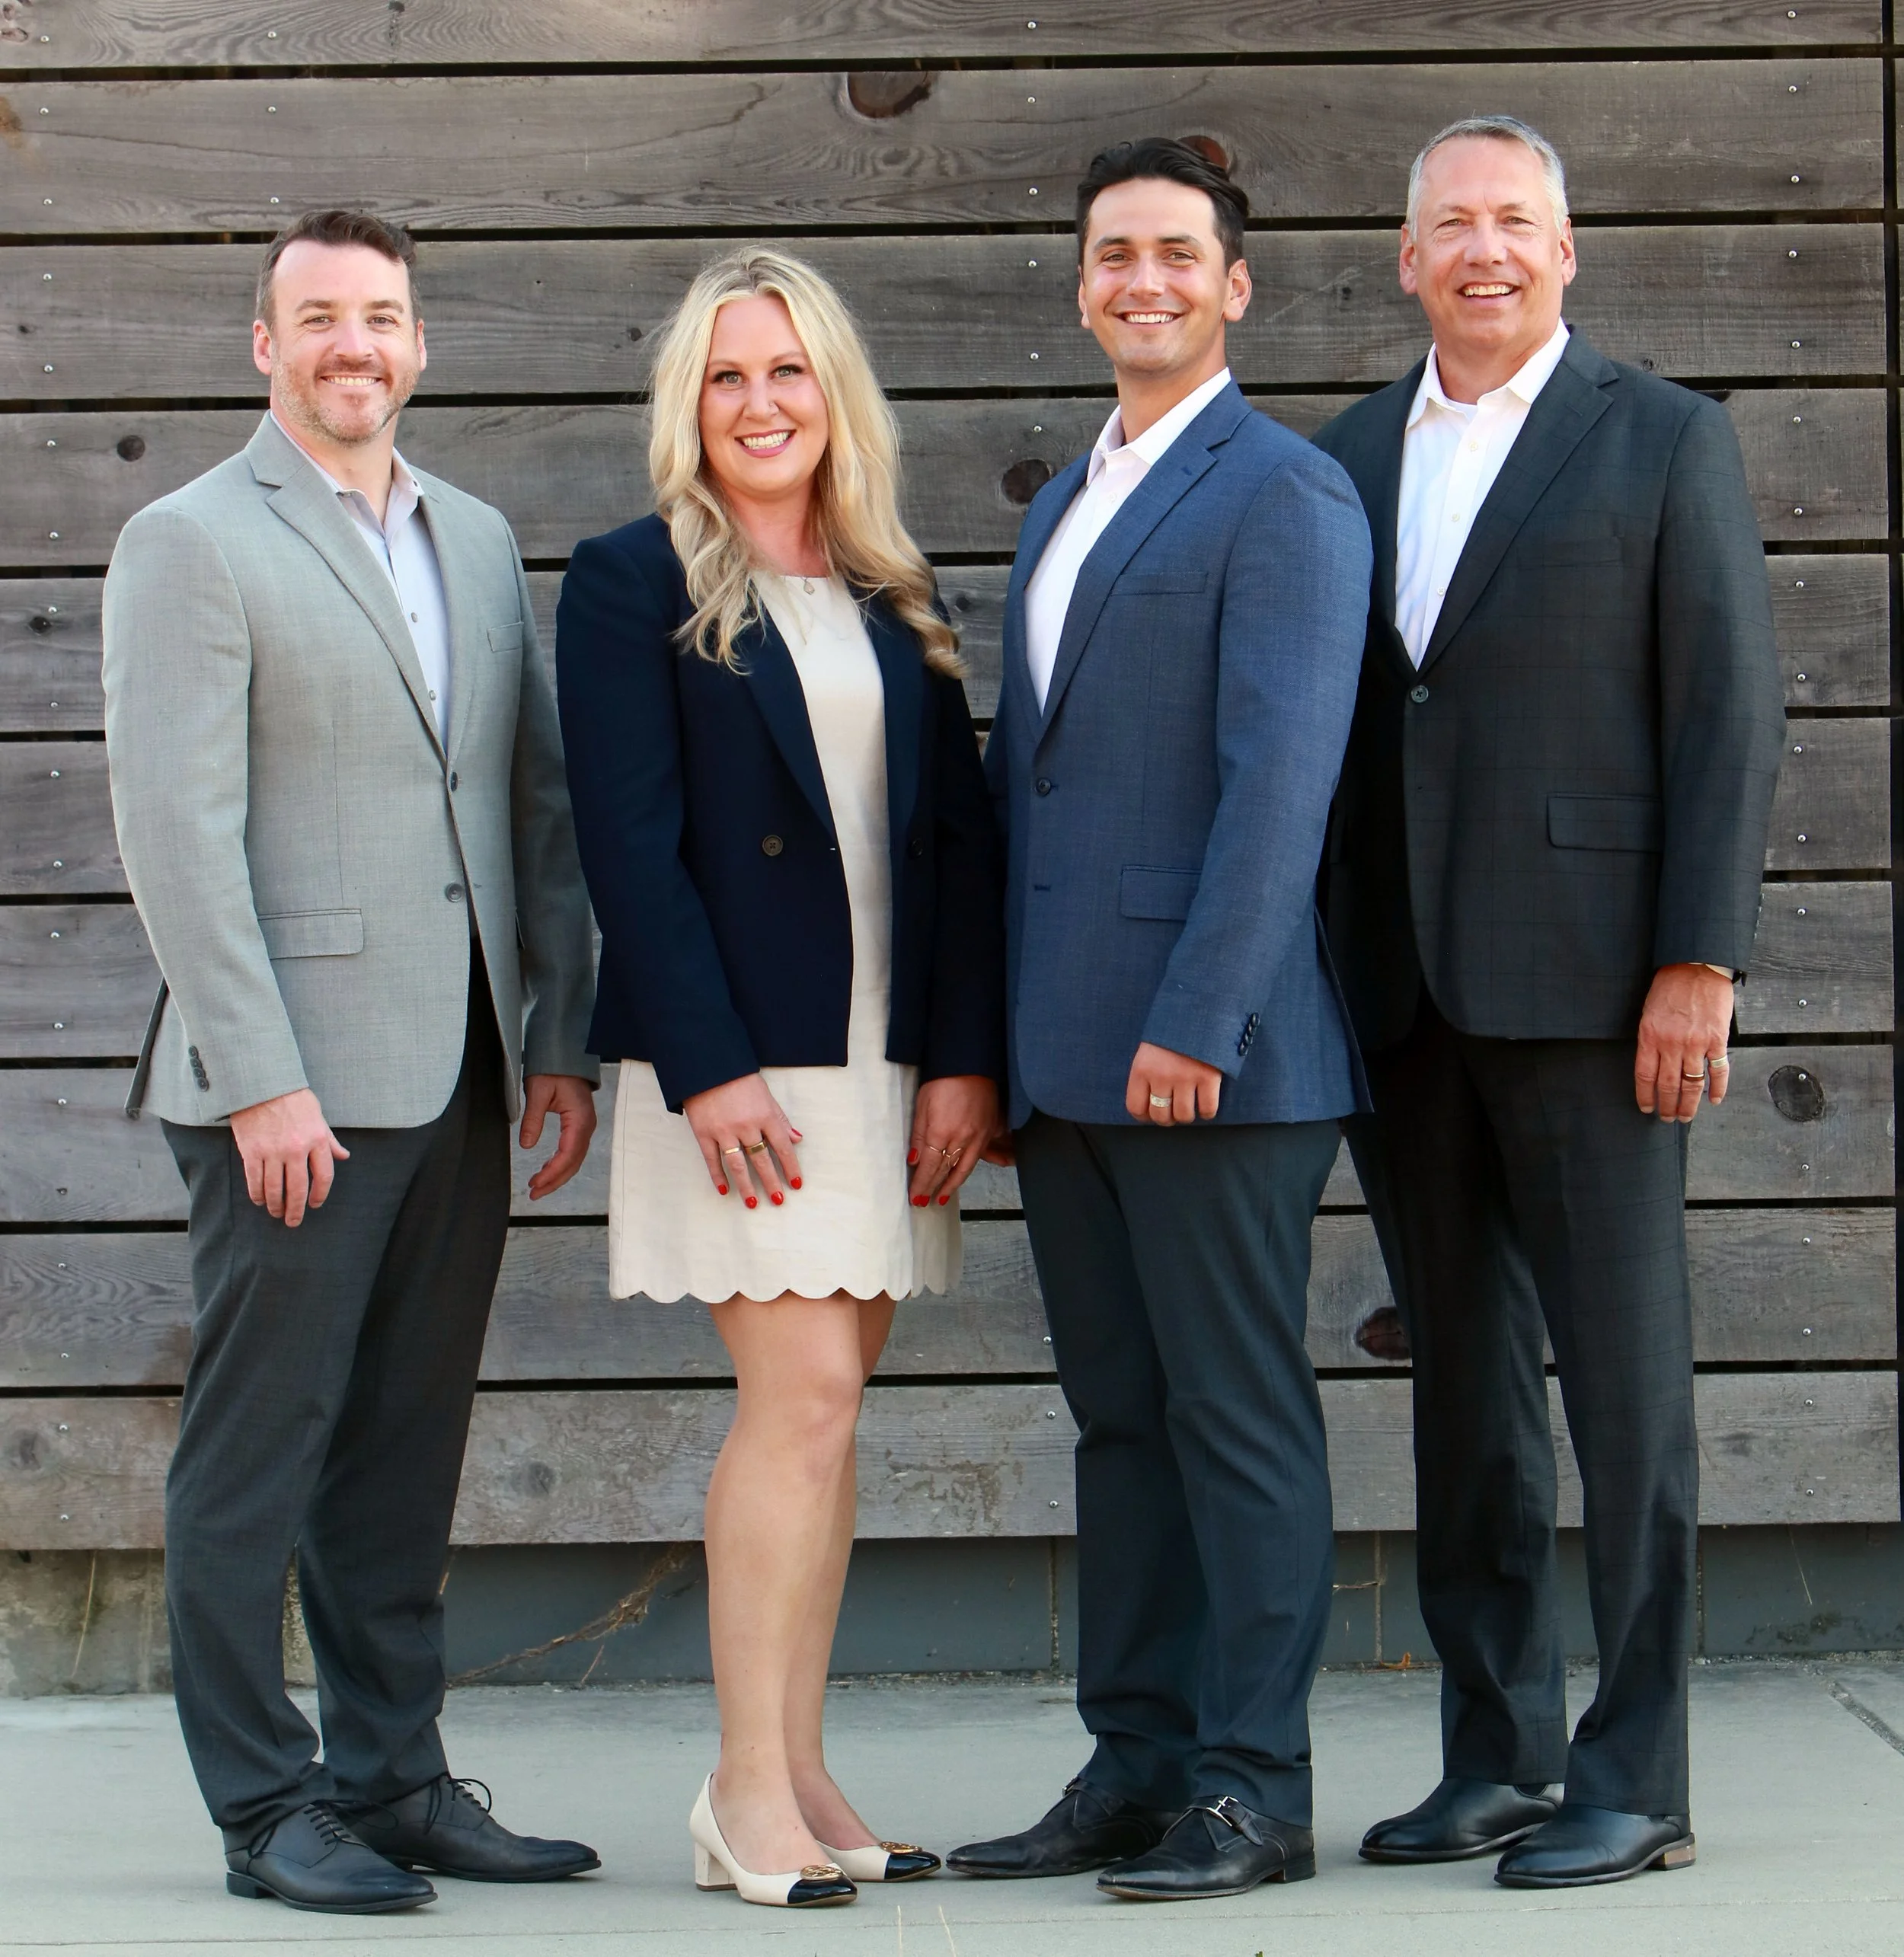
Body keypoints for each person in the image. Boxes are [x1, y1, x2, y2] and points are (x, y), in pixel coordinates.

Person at [100, 212, 603, 1912]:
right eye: (317, 319)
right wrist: (258, 1074)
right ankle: (262, 1801)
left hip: (458, 1068)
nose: (352, 346)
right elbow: (178, 829)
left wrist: (553, 1032)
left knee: (401, 1446)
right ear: (264, 344)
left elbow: (526, 801)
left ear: (418, 343)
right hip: (289, 1090)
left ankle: (391, 1778)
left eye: (380, 317)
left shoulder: (470, 533)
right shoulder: (187, 540)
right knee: (260, 1451)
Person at [1313, 117, 1784, 1888]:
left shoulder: (1662, 439)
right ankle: (1494, 1750)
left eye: (1515, 222)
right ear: (1406, 254)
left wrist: (1697, 958)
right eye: (1452, 224)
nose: (1484, 250)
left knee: (1625, 1392)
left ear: (1564, 250)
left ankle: (1637, 1769)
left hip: (1599, 992)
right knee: (1465, 1392)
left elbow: (1726, 714)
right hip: (1403, 992)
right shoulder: (1347, 453)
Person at [947, 139, 1372, 1902]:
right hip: (1067, 1061)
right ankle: (1133, 1759)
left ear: (1232, 288)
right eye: (1113, 253)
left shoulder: (1280, 493)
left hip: (1214, 1055)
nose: (1142, 279)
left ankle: (1252, 1784)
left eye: (1175, 255)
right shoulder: (1069, 499)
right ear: (1080, 282)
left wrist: (1196, 1014)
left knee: (1233, 1414)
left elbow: (1280, 781)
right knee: (1119, 1419)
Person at [555, 248, 1005, 1911]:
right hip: (741, 1075)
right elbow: (630, 843)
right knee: (797, 1404)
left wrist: (962, 1057)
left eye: (788, 373)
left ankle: (799, 1762)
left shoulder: (891, 590)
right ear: (690, 403)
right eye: (728, 377)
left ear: (835, 397)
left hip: (884, 1067)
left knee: (829, 1421)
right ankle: (742, 1787)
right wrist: (704, 1064)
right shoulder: (631, 582)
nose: (759, 404)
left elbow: (953, 849)